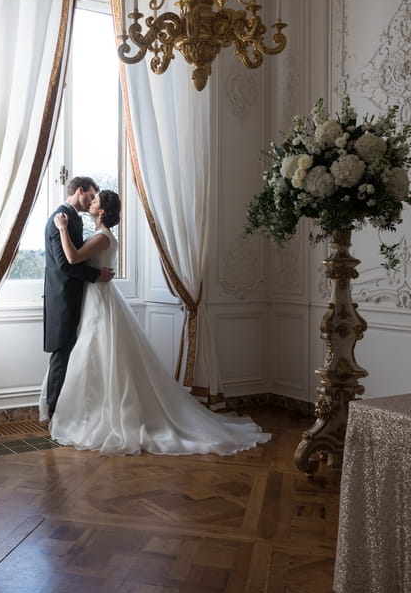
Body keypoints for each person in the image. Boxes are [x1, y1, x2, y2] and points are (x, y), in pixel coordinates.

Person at [39, 189, 271, 456]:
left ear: (102, 211)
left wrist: (62, 229)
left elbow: (72, 258)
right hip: (94, 297)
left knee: (98, 353)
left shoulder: (103, 237)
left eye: (95, 200)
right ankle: (91, 411)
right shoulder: (100, 235)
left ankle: (103, 415)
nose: (91, 202)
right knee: (96, 355)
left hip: (99, 300)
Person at [43, 176, 114, 418]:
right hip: (64, 298)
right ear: (80, 191)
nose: (93, 200)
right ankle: (54, 413)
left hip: (78, 298)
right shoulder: (59, 220)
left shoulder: (73, 219)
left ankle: (72, 411)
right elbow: (66, 264)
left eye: (96, 199)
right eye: (92, 195)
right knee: (62, 355)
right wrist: (96, 274)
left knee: (73, 355)